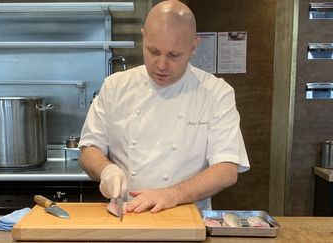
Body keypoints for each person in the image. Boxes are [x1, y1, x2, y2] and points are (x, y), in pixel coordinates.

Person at [78, 0, 250, 213]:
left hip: (186, 217)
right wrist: (106, 170)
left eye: (173, 55)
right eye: (153, 51)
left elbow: (227, 169)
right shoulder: (116, 86)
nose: (161, 65)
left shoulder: (216, 93)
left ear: (193, 46)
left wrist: (173, 195)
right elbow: (88, 149)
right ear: (143, 37)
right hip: (127, 214)